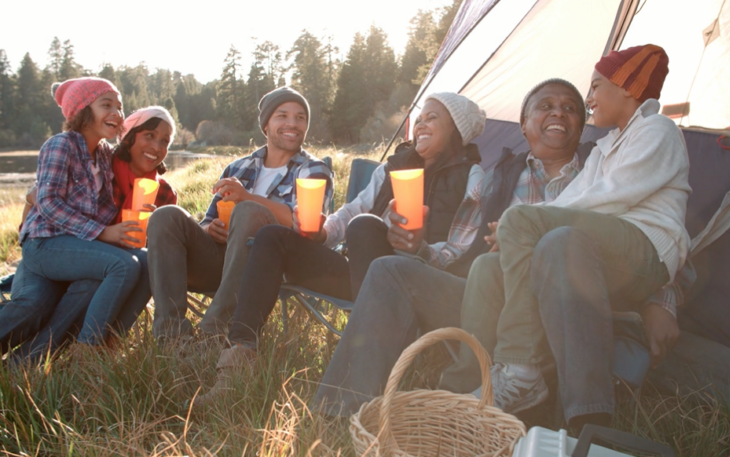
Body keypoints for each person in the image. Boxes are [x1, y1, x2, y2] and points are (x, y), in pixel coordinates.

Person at [442, 44, 689, 431]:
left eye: (594, 87)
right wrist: (523, 225)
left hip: (647, 251)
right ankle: (460, 394)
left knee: (528, 222)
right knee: (490, 264)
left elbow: (615, 194)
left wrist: (529, 219)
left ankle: (521, 369)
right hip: (604, 258)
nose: (589, 99)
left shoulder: (657, 130)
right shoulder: (607, 146)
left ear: (626, 87)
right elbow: (573, 199)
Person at [311, 79, 590, 417]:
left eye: (570, 107)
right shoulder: (500, 177)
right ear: (523, 125)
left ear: (583, 124)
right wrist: (420, 249)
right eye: (545, 106)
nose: (558, 112)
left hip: (559, 304)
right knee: (388, 268)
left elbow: (637, 232)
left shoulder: (599, 171)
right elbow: (464, 247)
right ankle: (339, 410)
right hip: (488, 298)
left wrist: (660, 301)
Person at [194, 92, 487, 407]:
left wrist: (420, 248)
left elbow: (461, 248)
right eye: (420, 118)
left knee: (365, 226)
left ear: (456, 129)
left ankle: (365, 365)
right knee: (273, 236)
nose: (421, 125)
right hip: (360, 274)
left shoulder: (472, 177)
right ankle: (239, 358)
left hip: (416, 281)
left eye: (433, 118)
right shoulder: (393, 167)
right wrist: (323, 233)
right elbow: (351, 211)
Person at [146, 86, 333, 341]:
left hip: (271, 266)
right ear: (266, 125)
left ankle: (214, 333)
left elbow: (306, 224)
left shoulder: (313, 170)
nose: (293, 123)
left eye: (300, 117)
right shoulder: (239, 166)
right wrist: (209, 230)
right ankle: (172, 338)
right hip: (220, 261)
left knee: (248, 211)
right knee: (165, 216)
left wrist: (248, 198)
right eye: (283, 115)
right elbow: (207, 221)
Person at [4, 106, 179, 360]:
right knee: (34, 305)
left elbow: (155, 250)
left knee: (117, 273)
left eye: (165, 141)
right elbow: (41, 197)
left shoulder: (164, 193)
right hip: (57, 249)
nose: (156, 145)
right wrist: (31, 208)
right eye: (149, 135)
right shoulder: (104, 164)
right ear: (129, 137)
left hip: (105, 267)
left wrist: (155, 226)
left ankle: (34, 363)